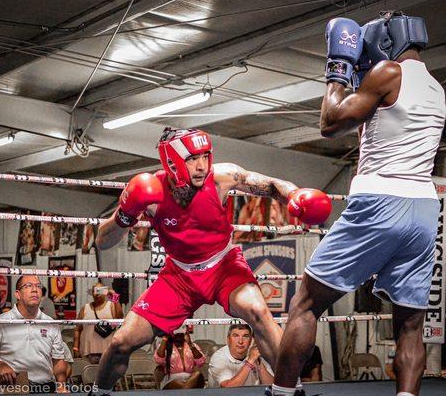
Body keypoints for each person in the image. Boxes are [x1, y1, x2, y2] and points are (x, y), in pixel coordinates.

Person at [270, 11, 446, 396]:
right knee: (410, 325)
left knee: (305, 303)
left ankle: (281, 392)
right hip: (424, 211)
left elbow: (331, 122)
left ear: (384, 43)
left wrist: (339, 68)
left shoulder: (389, 72)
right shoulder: (437, 87)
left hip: (381, 201)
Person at [91, 127, 332, 395]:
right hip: (178, 276)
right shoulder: (151, 192)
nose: (201, 166)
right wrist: (123, 216)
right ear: (171, 162)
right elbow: (102, 241)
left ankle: (290, 390)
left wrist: (296, 194)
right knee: (122, 341)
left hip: (224, 265)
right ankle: (98, 392)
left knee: (259, 313)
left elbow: (272, 184)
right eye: (192, 159)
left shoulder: (220, 177)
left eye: (205, 156)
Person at [0, 275, 68, 393]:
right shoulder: (0, 322)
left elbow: (58, 359)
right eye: (28, 286)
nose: (35, 289)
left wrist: (61, 385)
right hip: (14, 387)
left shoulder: (50, 323)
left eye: (38, 286)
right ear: (17, 294)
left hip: (46, 387)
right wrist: (0, 365)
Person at [73, 282, 124, 364]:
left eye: (100, 290)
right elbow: (77, 329)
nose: (97, 293)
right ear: (92, 294)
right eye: (95, 291)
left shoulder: (111, 305)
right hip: (88, 352)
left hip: (108, 352)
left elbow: (119, 317)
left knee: (106, 376)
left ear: (105, 292)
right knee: (89, 375)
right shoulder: (85, 308)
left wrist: (114, 297)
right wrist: (75, 348)